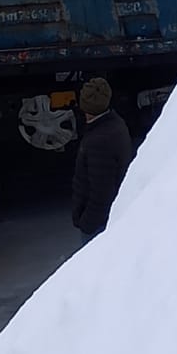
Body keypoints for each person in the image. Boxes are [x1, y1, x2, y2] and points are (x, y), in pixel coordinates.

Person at [71, 77, 134, 242]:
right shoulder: (116, 125)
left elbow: (101, 192)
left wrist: (87, 224)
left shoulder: (97, 142)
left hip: (97, 226)